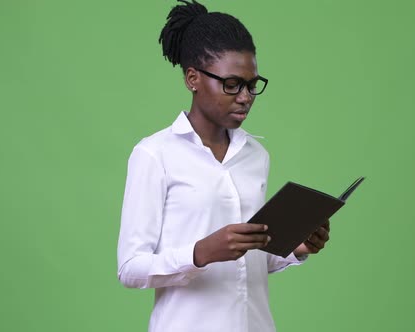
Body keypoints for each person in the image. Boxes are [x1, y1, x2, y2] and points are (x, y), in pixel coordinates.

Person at [116, 1, 330, 331]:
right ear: (193, 78)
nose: (245, 96)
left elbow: (253, 259)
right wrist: (201, 252)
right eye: (232, 84)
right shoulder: (154, 155)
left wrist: (297, 246)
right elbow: (130, 268)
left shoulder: (255, 155)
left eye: (251, 84)